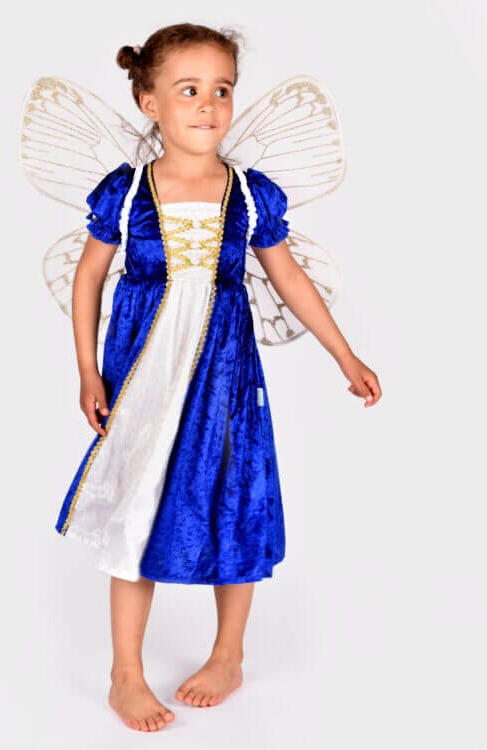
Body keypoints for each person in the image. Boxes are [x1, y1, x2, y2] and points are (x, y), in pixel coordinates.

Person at [54, 23, 382, 732]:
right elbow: (88, 278)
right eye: (189, 90)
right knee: (136, 507)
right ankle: (125, 672)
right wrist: (86, 370)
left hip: (224, 380)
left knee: (237, 495)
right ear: (149, 102)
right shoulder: (128, 191)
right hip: (143, 377)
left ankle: (228, 653)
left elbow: (289, 278)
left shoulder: (250, 194)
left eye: (222, 90)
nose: (209, 105)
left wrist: (345, 355)